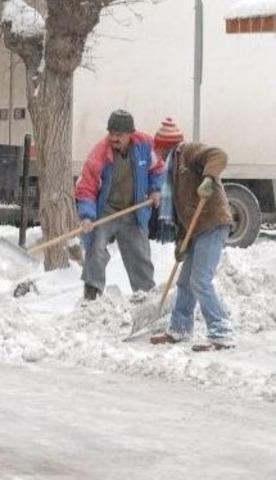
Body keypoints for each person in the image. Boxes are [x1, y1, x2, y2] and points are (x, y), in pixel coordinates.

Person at [148, 118, 234, 351]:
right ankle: (180, 328)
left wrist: (208, 178)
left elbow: (219, 155)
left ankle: (221, 331)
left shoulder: (187, 152)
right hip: (196, 230)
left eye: (156, 147)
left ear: (163, 145)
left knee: (200, 280)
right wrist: (181, 243)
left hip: (213, 222)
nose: (155, 152)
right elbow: (184, 211)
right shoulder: (172, 170)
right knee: (185, 281)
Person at [76, 110, 165, 301]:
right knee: (96, 248)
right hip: (107, 210)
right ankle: (92, 295)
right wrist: (87, 216)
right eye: (111, 133)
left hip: (134, 209)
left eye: (119, 135)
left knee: (140, 254)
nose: (114, 138)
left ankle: (146, 296)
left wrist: (156, 189)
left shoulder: (145, 145)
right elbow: (86, 188)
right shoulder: (100, 154)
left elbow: (158, 168)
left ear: (130, 134)